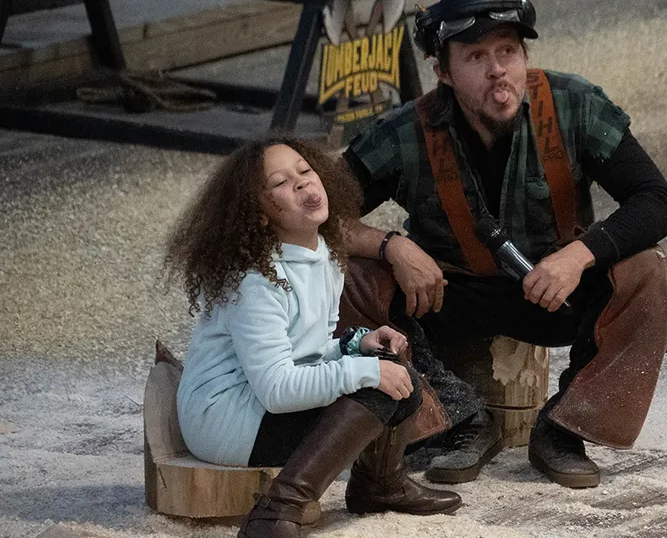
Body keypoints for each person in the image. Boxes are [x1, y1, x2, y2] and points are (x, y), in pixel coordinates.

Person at [339, 0, 667, 489]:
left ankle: (563, 428)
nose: (497, 70)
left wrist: (577, 257)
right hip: (446, 300)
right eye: (476, 56)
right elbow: (317, 216)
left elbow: (656, 200)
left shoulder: (575, 105)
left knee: (655, 270)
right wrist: (391, 245)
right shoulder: (402, 132)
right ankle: (456, 420)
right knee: (349, 276)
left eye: (508, 51)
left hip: (558, 295)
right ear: (442, 72)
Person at [164, 136, 462, 538]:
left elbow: (309, 352)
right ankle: (275, 511)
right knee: (374, 385)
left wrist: (356, 345)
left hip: (262, 407)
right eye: (281, 183)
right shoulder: (256, 280)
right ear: (260, 215)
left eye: (305, 171)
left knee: (398, 378)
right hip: (228, 420)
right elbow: (277, 389)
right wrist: (363, 372)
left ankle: (379, 487)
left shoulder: (324, 253)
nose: (303, 183)